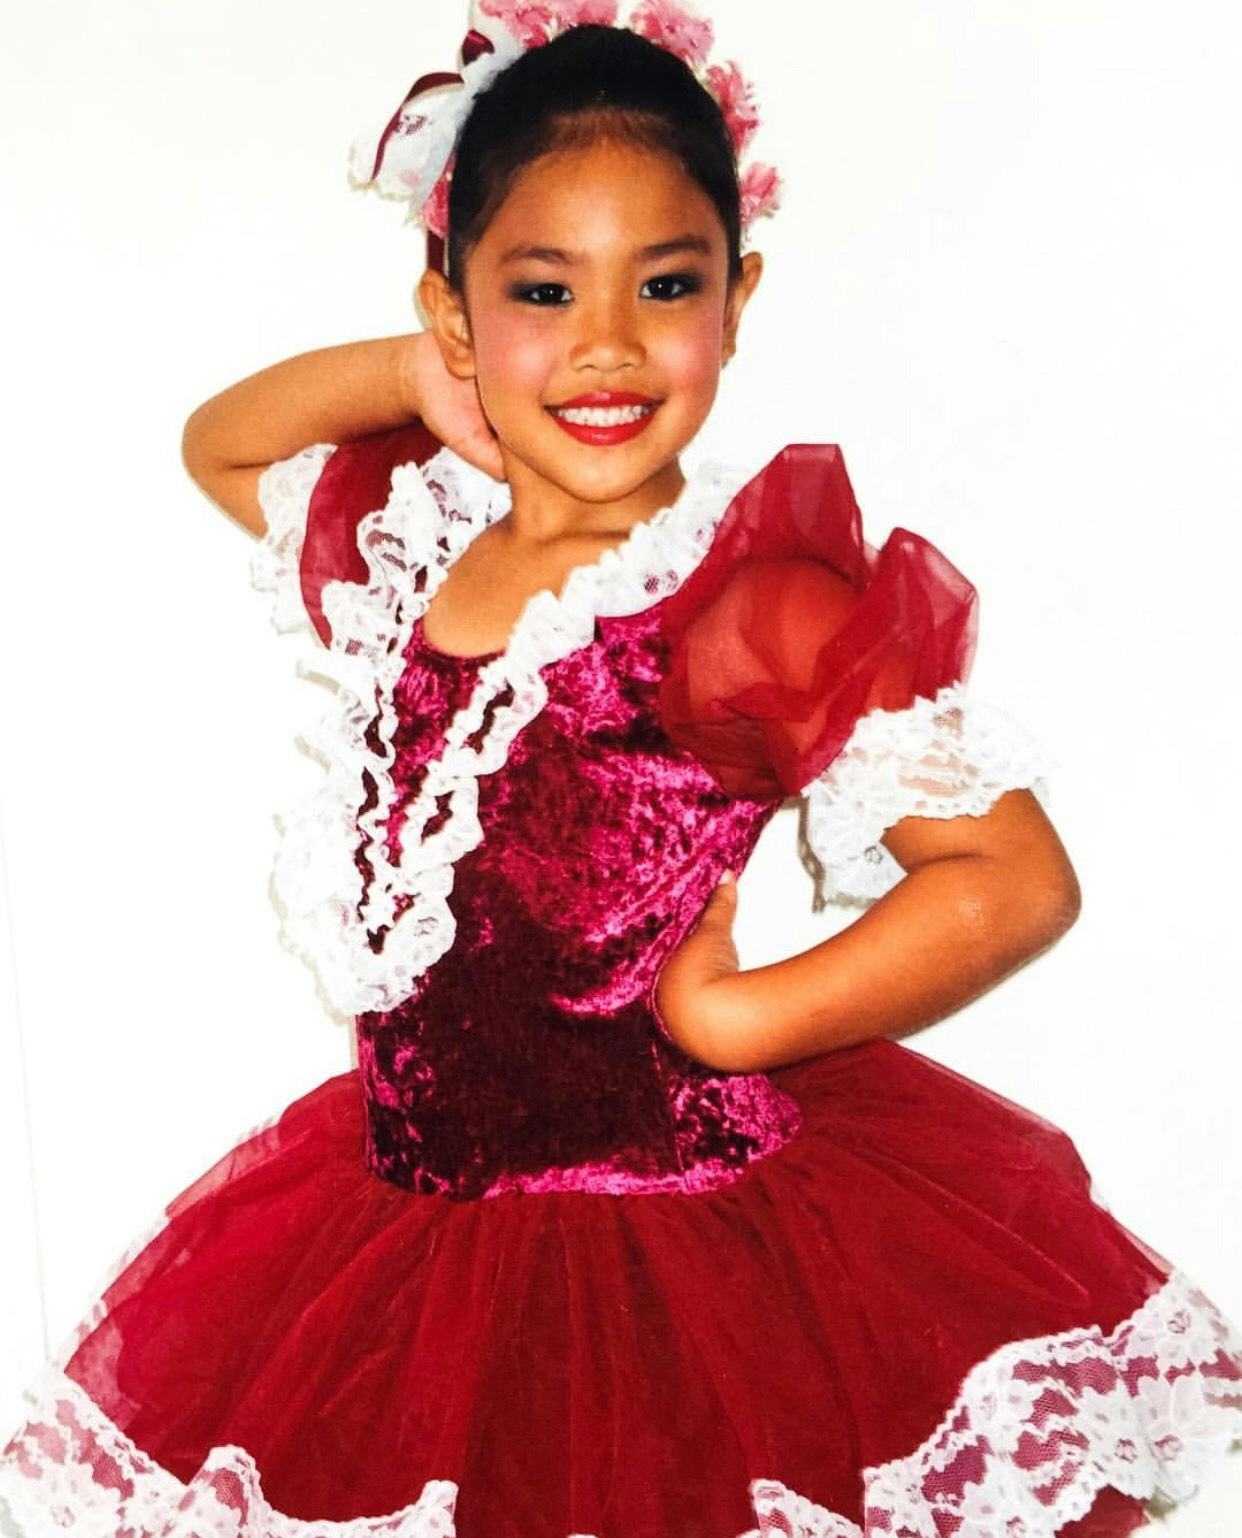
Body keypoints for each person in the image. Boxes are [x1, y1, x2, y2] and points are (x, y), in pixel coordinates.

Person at [2, 3, 1240, 1535]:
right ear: (457, 315)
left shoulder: (741, 598)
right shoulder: (418, 554)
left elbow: (1009, 875)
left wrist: (743, 1015)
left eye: (667, 284)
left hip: (681, 1245)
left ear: (739, 295)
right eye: (538, 290)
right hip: (408, 1239)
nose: (603, 344)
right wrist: (409, 371)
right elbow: (224, 447)